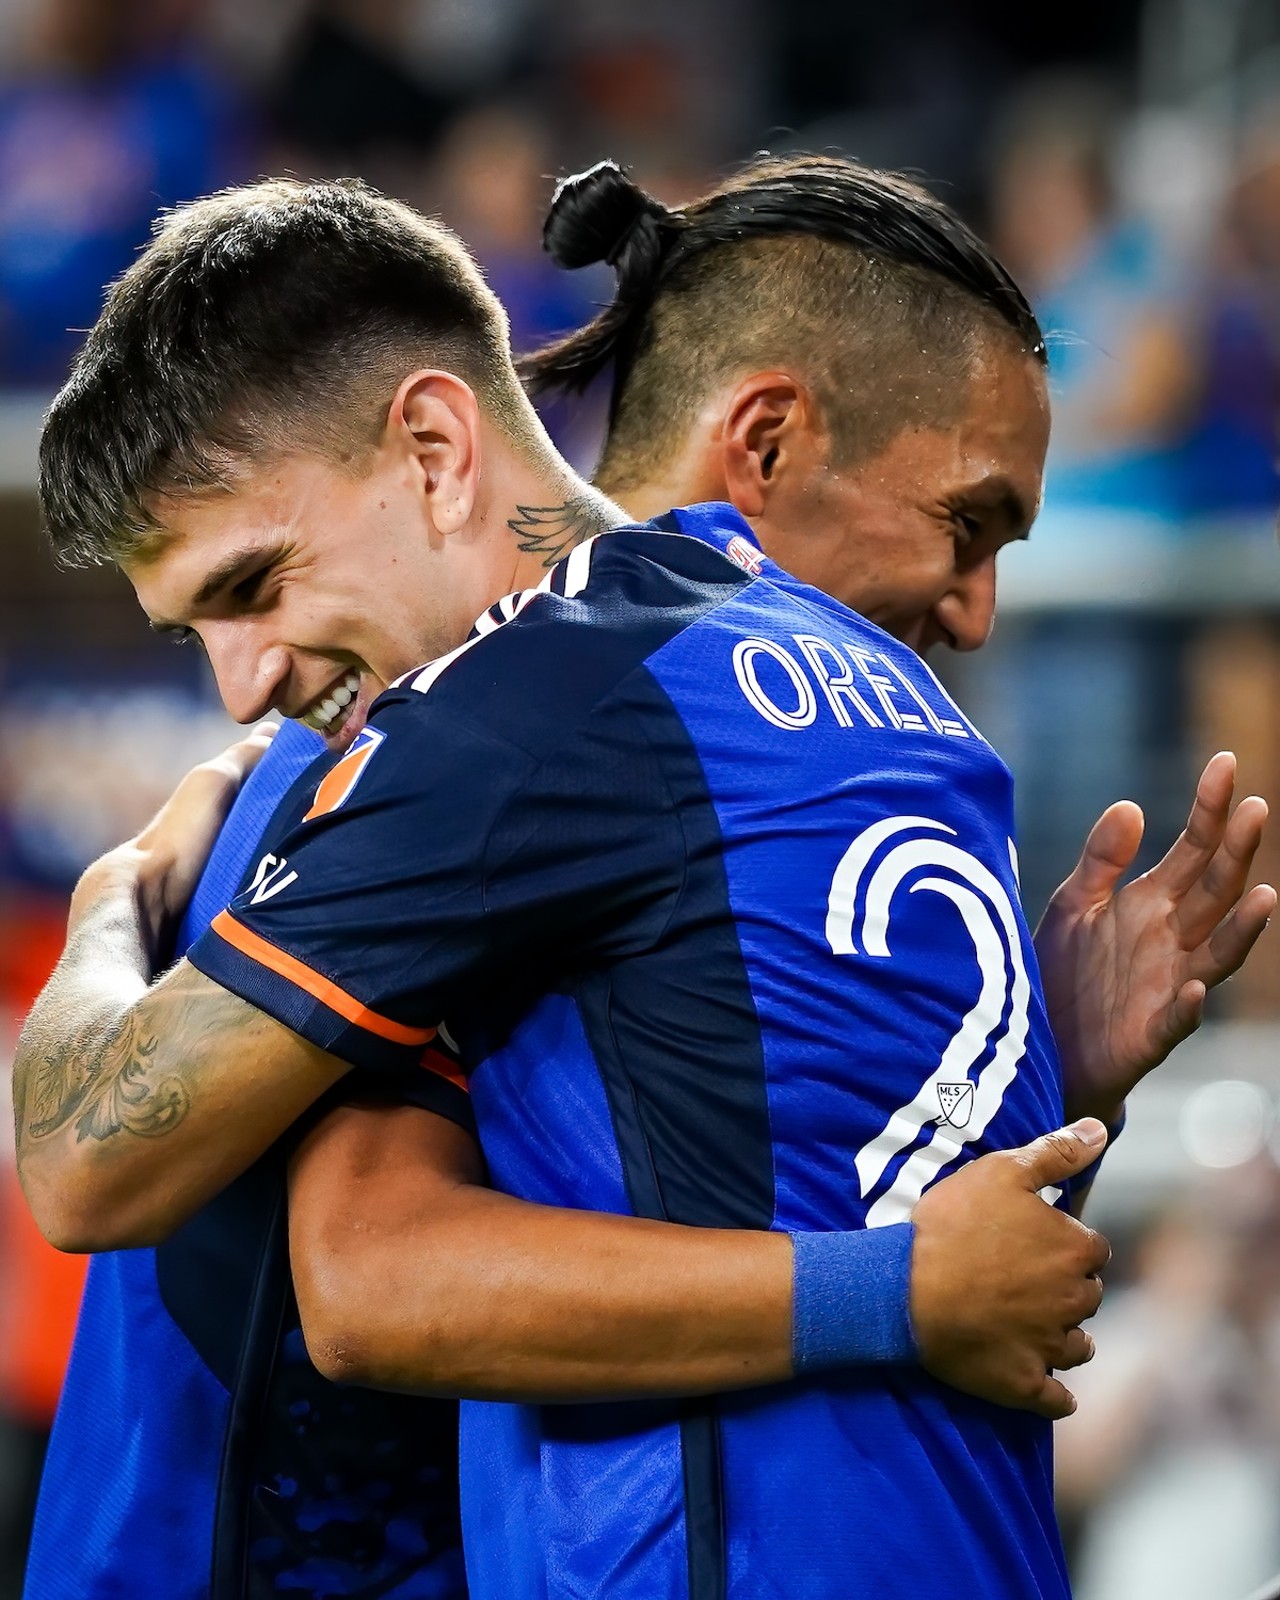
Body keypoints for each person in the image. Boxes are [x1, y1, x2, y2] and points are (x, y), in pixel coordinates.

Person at [14, 169, 1270, 1598]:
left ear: (435, 445)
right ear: (766, 437)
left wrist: (1034, 1079)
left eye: (251, 591)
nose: (248, 685)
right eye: (965, 524)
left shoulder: (555, 731)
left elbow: (764, 1201)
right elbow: (350, 1260)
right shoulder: (480, 743)